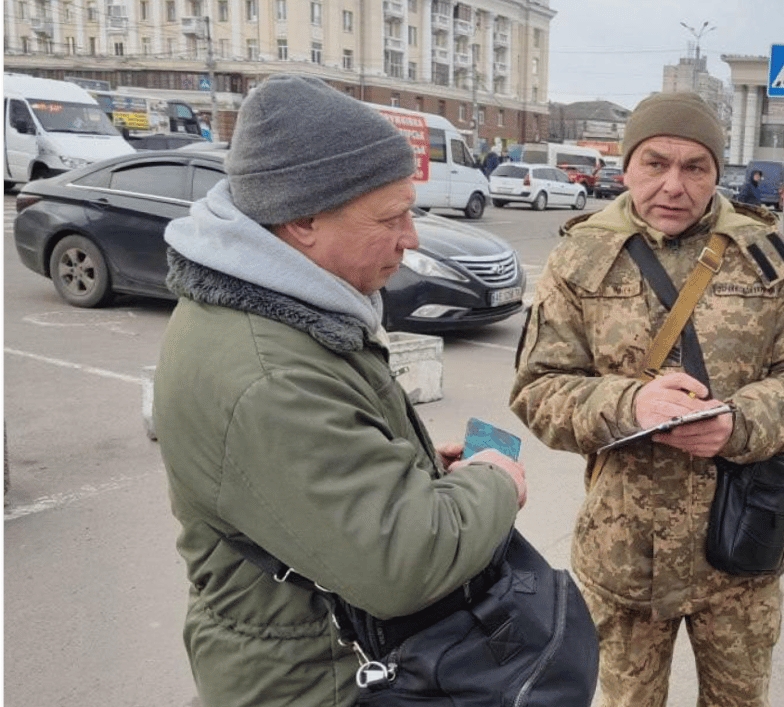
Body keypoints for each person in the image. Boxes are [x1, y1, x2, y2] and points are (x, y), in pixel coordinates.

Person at [153, 74, 527, 707]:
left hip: (317, 656)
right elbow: (400, 564)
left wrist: (408, 468)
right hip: (313, 680)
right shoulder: (268, 373)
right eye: (392, 217)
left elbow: (300, 479)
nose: (411, 238)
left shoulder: (284, 313)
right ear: (302, 220)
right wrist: (493, 481)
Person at [509, 91, 784, 707]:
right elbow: (538, 387)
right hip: (623, 552)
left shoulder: (765, 258)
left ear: (718, 173)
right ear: (627, 164)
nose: (674, 185)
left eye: (696, 168)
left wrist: (738, 424)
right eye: (655, 163)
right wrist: (628, 406)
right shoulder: (580, 257)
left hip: (738, 552)